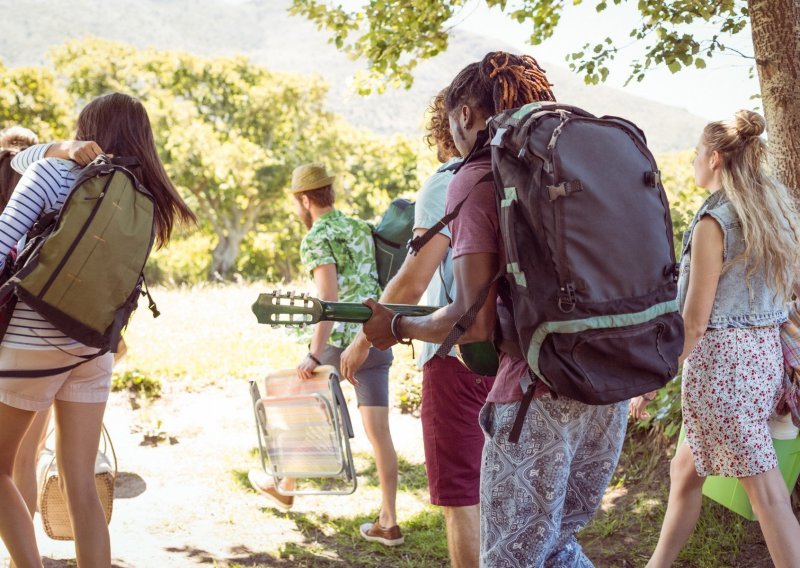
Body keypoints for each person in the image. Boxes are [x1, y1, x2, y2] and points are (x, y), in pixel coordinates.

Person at [361, 51, 629, 566]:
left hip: (536, 394)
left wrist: (395, 324)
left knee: (510, 557)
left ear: (464, 114)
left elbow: (471, 320)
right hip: (609, 383)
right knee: (557, 546)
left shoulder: (480, 174)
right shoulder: (578, 164)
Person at [0, 92, 196, 568]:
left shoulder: (52, 173)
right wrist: (57, 147)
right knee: (80, 482)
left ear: (88, 129)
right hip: (92, 350)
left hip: (31, 345)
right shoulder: (146, 196)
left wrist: (57, 150)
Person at [631, 110, 800, 568]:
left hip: (721, 371)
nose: (692, 163)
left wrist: (651, 378)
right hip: (762, 363)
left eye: (697, 156)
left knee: (768, 496)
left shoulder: (715, 223)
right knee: (684, 473)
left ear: (717, 160)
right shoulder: (774, 214)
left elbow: (696, 322)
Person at [340, 87, 493, 567]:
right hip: (525, 358)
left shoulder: (451, 180)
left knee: (462, 496)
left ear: (458, 120)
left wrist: (365, 337)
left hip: (459, 357)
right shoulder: (527, 174)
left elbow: (413, 277)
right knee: (509, 493)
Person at [248, 163, 402, 546]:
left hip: (341, 341)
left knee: (300, 399)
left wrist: (315, 355)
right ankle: (389, 521)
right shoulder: (361, 226)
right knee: (379, 433)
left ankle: (285, 484)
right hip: (376, 335)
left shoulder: (317, 236)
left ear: (304, 200)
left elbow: (327, 301)